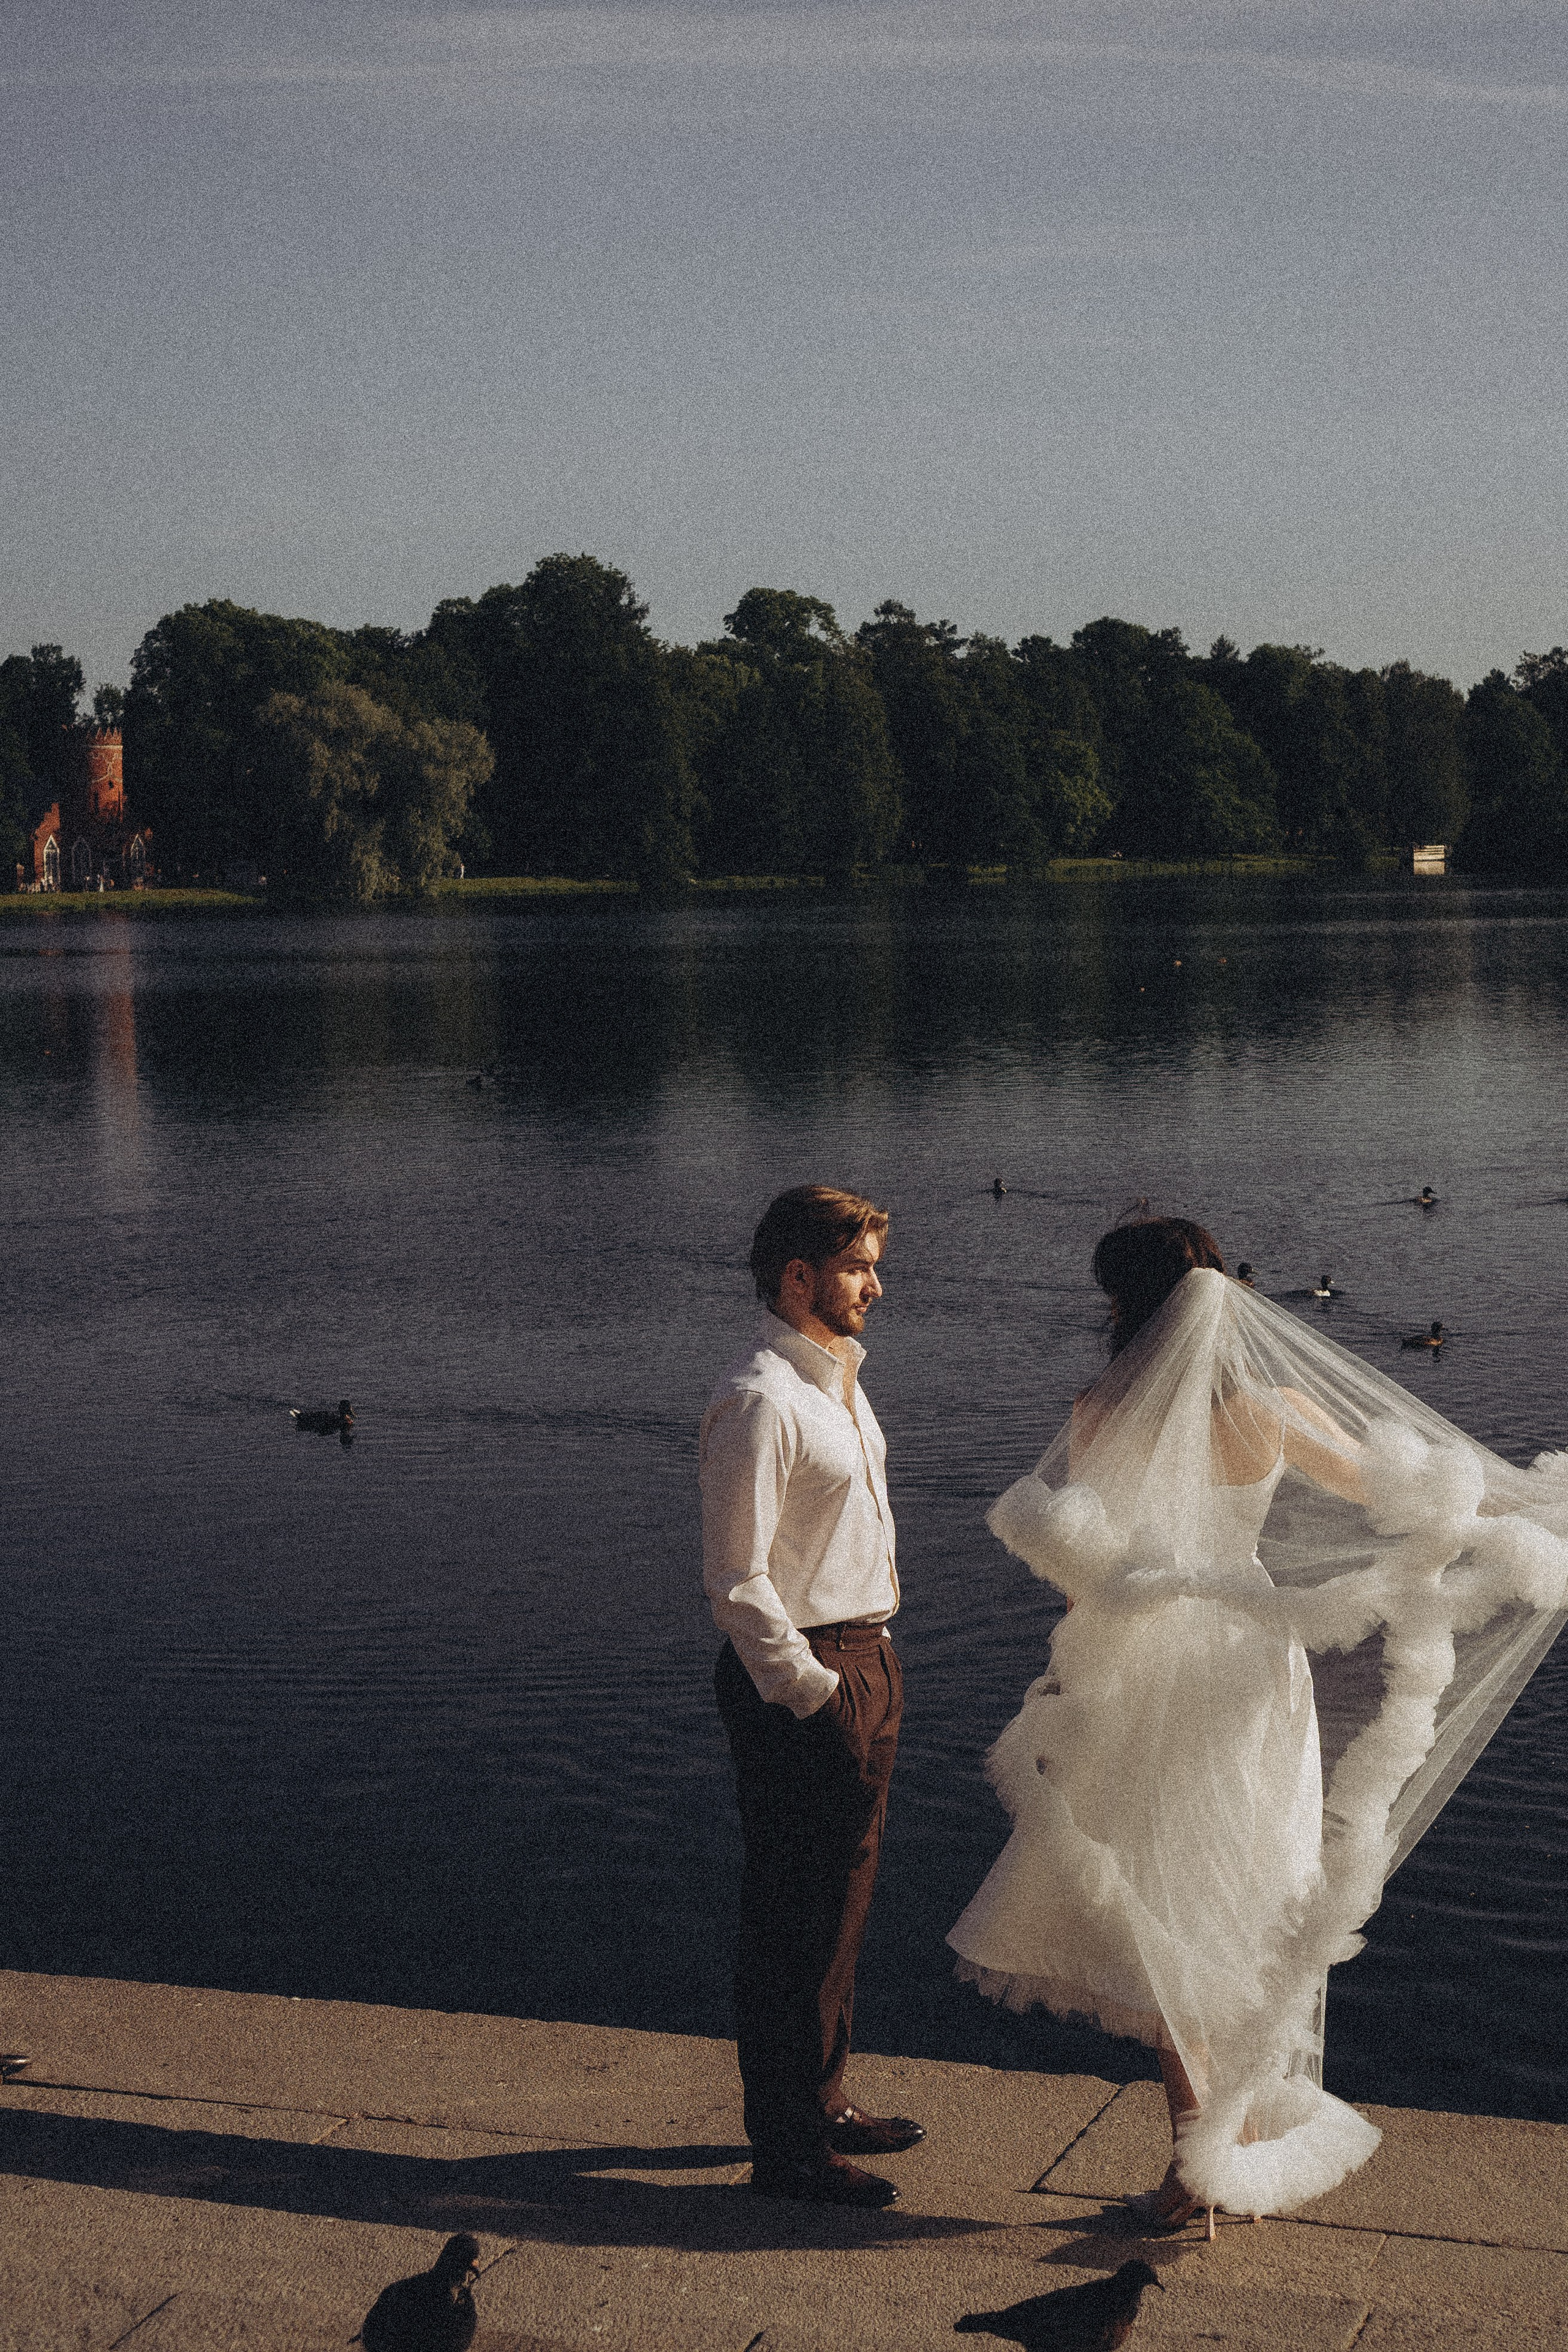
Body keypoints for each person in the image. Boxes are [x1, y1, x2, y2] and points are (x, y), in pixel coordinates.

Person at [949, 1216, 1568, 2229]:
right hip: (1245, 1658)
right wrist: (1521, 1514)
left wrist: (1071, 1682)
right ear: (1220, 1296)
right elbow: (1396, 1496)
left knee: (1157, 1892)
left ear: (1123, 1305)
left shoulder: (1099, 1412)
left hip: (1141, 1659)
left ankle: (1196, 2148)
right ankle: (1223, 2145)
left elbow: (1085, 1573)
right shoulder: (1271, 1409)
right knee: (1246, 1883)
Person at [701, 1185, 924, 2207]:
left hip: (864, 1657)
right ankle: (784, 2150)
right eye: (857, 1267)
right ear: (798, 1277)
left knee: (844, 1902)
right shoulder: (761, 1399)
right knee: (791, 1915)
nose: (876, 1285)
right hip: (805, 1676)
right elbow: (738, 1581)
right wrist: (816, 1693)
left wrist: (862, 1677)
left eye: (875, 1265)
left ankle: (822, 2099)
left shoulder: (837, 1381)